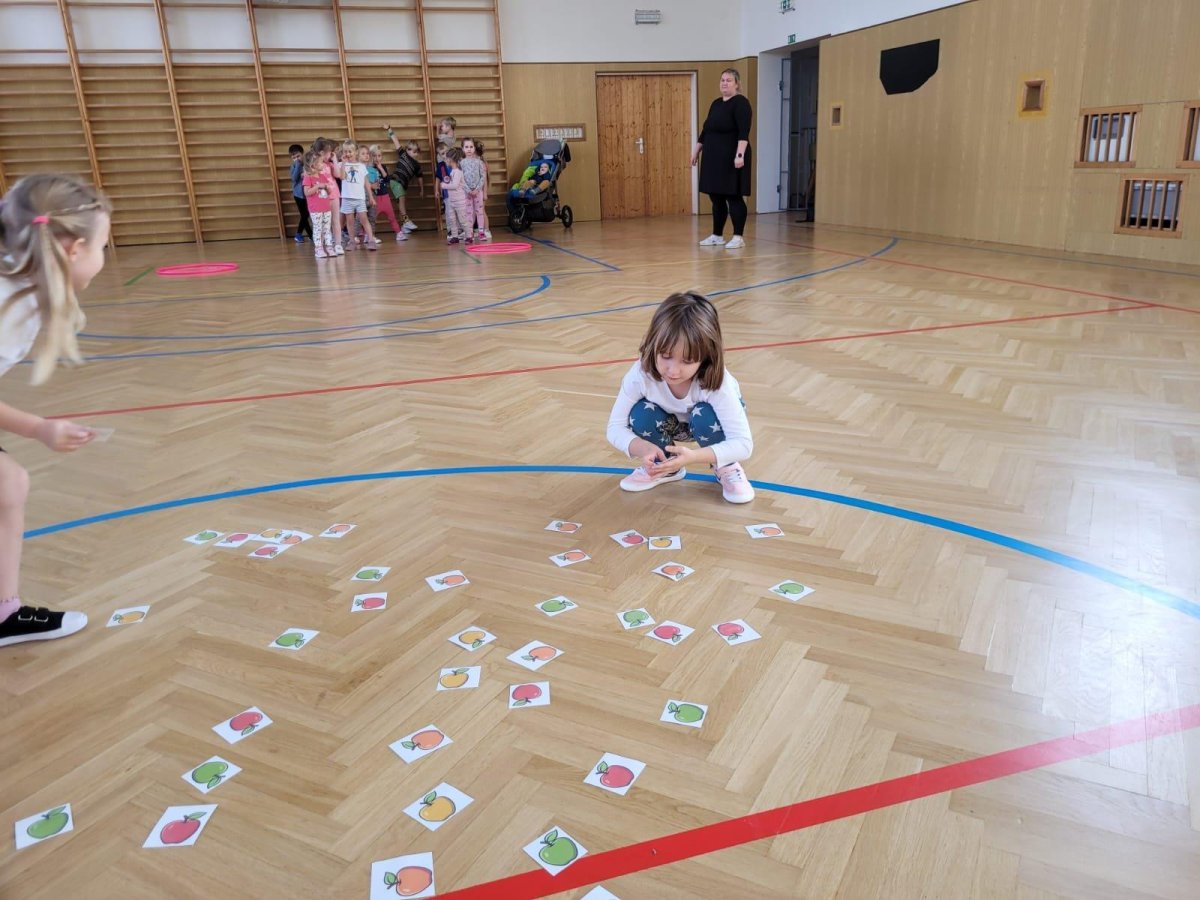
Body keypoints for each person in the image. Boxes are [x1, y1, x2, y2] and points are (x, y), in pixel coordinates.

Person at [0, 174, 111, 647]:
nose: (103, 258)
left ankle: (4, 614)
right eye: (102, 247)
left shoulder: (20, 289)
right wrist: (39, 428)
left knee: (8, 484)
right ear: (74, 249)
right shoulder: (8, 305)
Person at [605, 291, 754, 503]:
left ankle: (726, 466)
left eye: (687, 361)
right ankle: (666, 466)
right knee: (641, 414)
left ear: (706, 356)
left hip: (707, 424)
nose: (673, 371)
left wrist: (694, 457)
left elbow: (743, 444)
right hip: (670, 424)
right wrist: (644, 448)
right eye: (666, 356)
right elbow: (614, 427)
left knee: (705, 415)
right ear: (653, 344)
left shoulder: (719, 383)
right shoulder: (640, 375)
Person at [692, 67, 752, 250]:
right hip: (713, 158)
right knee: (716, 196)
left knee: (733, 196)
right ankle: (717, 235)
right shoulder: (716, 103)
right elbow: (706, 130)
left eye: (729, 80)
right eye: (722, 80)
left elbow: (743, 132)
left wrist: (739, 155)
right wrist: (696, 151)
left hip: (732, 157)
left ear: (737, 84)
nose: (724, 83)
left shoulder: (741, 103)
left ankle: (738, 237)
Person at [382, 126, 423, 233]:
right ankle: (406, 220)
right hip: (396, 181)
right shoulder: (403, 154)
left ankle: (404, 226)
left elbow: (420, 177)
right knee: (402, 200)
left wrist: (421, 189)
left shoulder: (417, 165)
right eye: (409, 149)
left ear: (418, 152)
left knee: (400, 203)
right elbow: (395, 140)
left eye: (415, 151)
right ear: (406, 149)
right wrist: (389, 129)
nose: (411, 152)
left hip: (403, 184)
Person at [339, 141, 377, 250]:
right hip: (347, 198)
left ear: (356, 152)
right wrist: (343, 164)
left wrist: (371, 197)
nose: (348, 154)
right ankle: (352, 242)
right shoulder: (342, 165)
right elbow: (342, 177)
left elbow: (366, 183)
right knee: (350, 222)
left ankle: (371, 240)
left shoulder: (361, 166)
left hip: (360, 198)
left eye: (350, 151)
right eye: (345, 151)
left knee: (364, 219)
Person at [301, 149, 335, 258]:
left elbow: (328, 192)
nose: (323, 164)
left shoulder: (323, 176)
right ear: (313, 166)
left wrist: (328, 189)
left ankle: (329, 247)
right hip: (315, 209)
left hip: (326, 208)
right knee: (318, 228)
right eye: (320, 162)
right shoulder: (308, 177)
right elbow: (307, 192)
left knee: (327, 228)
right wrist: (317, 186)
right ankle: (318, 248)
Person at [460, 137, 490, 242]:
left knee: (479, 212)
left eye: (471, 147)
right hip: (467, 193)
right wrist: (468, 190)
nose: (469, 149)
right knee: (468, 212)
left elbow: (483, 177)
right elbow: (461, 179)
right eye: (466, 147)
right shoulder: (461, 163)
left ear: (474, 148)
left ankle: (481, 232)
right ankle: (470, 233)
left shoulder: (479, 162)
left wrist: (477, 189)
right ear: (463, 149)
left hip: (478, 192)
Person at [442, 146, 469, 243]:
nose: (445, 160)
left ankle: (469, 236)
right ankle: (455, 236)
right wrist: (447, 182)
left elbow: (455, 185)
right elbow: (452, 183)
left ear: (451, 159)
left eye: (446, 158)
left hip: (459, 201)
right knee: (452, 219)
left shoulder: (458, 172)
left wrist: (444, 185)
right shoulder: (452, 171)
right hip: (452, 201)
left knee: (462, 220)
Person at [288, 144, 312, 244]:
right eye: (294, 157)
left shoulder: (307, 164)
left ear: (302, 154)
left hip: (308, 194)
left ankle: (300, 233)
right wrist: (297, 165)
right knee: (304, 215)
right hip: (298, 195)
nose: (296, 159)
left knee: (306, 214)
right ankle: (310, 235)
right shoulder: (293, 166)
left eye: (298, 156)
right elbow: (294, 178)